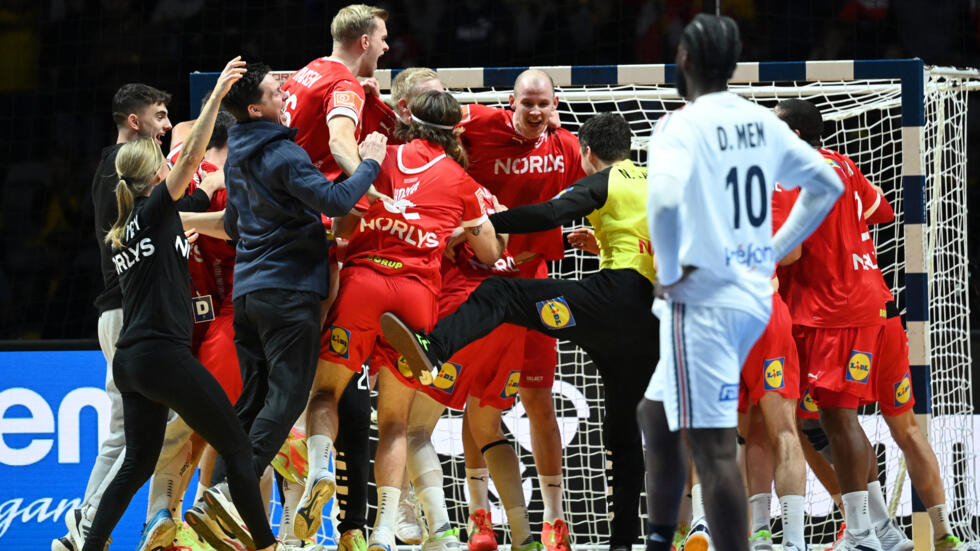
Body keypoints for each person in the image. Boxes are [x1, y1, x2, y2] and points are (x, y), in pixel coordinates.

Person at [382, 113, 658, 551]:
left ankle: (434, 350)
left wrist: (490, 224)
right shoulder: (658, 179)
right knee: (623, 431)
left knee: (501, 293)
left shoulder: (605, 180)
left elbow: (551, 212)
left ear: (587, 153)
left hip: (611, 302)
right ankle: (625, 541)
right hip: (652, 318)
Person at [639, 14, 842, 551]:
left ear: (684, 60)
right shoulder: (763, 123)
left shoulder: (681, 125)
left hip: (705, 303)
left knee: (687, 429)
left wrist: (667, 272)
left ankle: (693, 529)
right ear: (733, 63)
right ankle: (786, 540)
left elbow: (660, 202)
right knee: (773, 429)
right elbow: (824, 185)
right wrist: (774, 250)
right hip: (762, 305)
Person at [78, 57, 286, 551]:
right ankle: (266, 543)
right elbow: (191, 157)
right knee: (235, 441)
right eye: (164, 165)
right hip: (158, 353)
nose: (173, 166)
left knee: (137, 462)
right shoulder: (155, 210)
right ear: (153, 176)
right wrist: (216, 97)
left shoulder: (127, 224)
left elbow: (201, 203)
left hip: (134, 359)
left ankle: (90, 546)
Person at [296, 90, 507, 551]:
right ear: (456, 132)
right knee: (394, 423)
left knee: (326, 392)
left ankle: (318, 471)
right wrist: (466, 229)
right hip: (416, 297)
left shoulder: (379, 156)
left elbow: (343, 227)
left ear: (408, 120)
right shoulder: (461, 179)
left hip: (364, 284)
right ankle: (385, 532)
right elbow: (492, 252)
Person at [192, 60, 387, 549]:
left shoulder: (237, 155)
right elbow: (338, 199)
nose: (285, 95)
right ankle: (234, 494)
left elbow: (236, 226)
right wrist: (371, 162)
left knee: (252, 401)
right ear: (256, 108)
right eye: (275, 91)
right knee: (286, 399)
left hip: (249, 294)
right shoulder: (284, 154)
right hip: (289, 292)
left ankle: (214, 491)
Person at [775, 98, 970, 551]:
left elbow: (790, 254)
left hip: (832, 314)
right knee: (896, 428)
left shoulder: (790, 176)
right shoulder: (844, 165)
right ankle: (931, 532)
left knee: (826, 420)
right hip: (878, 307)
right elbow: (878, 211)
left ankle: (861, 532)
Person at [52, 82, 216, 551]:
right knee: (137, 434)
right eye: (160, 116)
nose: (167, 126)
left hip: (122, 314)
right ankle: (87, 527)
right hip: (131, 314)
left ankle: (80, 531)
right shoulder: (117, 170)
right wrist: (212, 184)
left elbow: (168, 216)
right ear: (134, 121)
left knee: (123, 433)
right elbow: (175, 207)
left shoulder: (115, 169)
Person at [456, 68, 586, 551]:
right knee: (477, 401)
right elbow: (431, 119)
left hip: (539, 287)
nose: (534, 112)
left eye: (543, 104)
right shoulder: (477, 125)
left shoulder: (568, 147)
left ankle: (555, 520)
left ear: (555, 104)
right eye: (526, 103)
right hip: (484, 284)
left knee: (540, 399)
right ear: (512, 101)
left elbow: (591, 196)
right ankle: (478, 518)